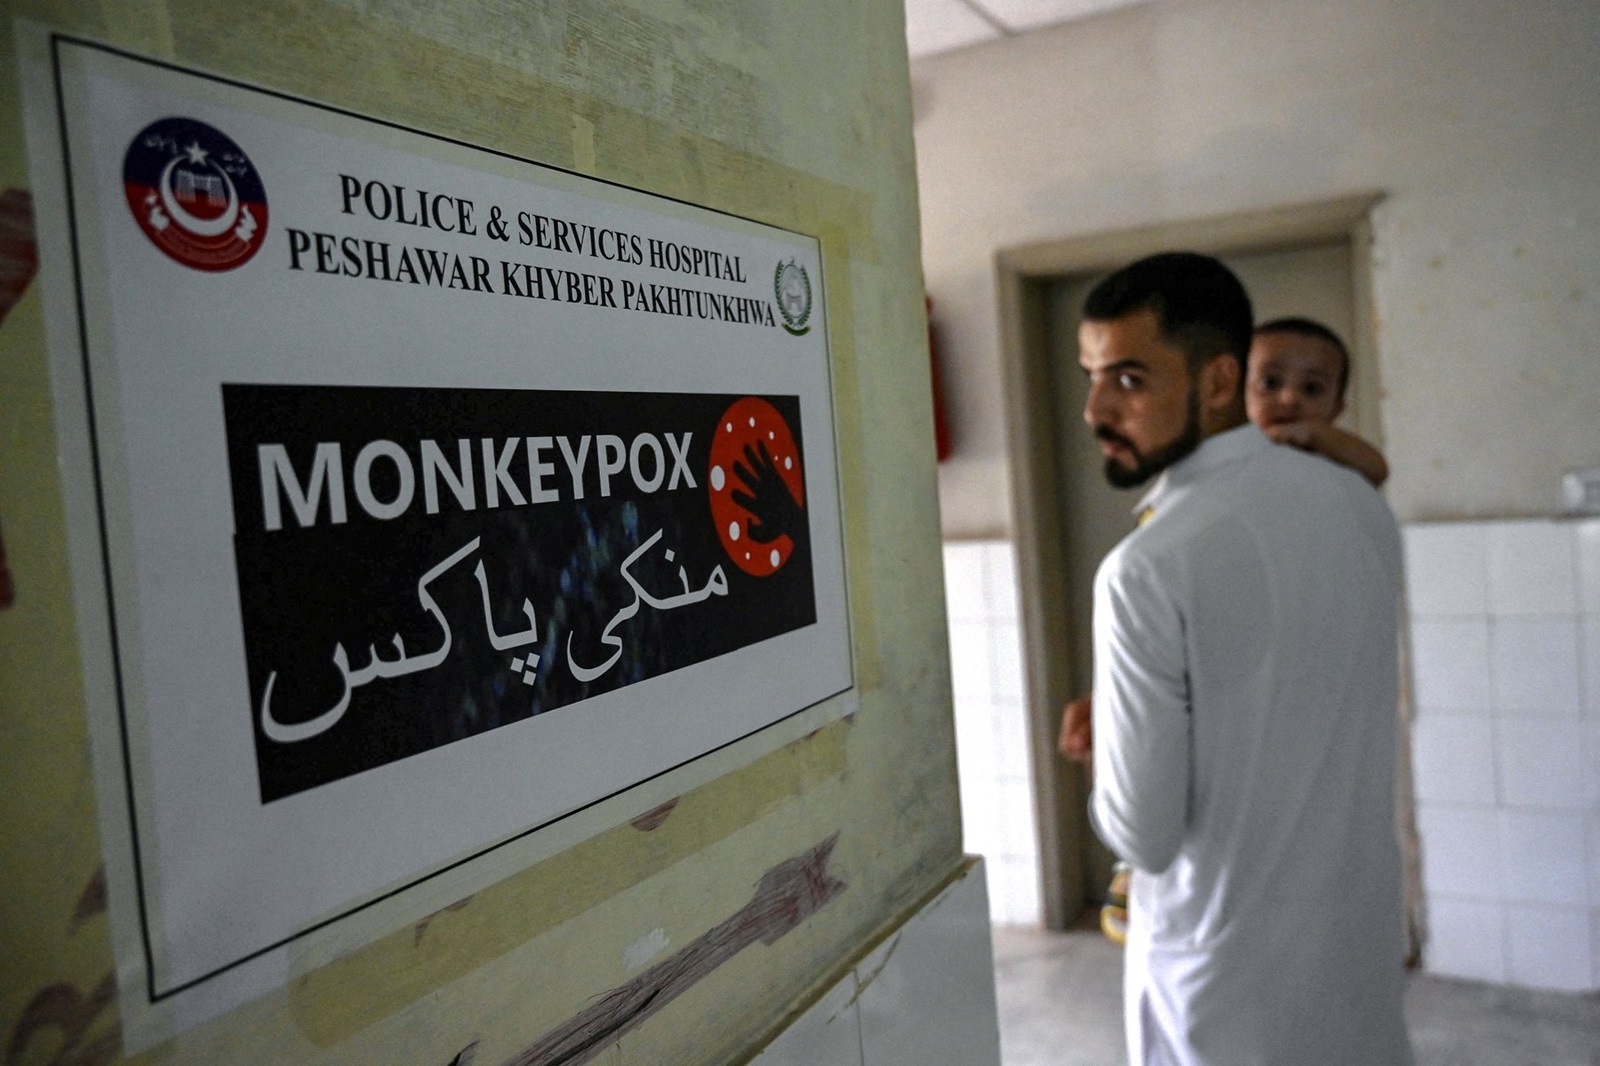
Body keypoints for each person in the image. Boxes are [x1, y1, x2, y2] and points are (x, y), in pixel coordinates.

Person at [1067, 252, 1412, 1064]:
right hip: (1353, 942)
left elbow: (1141, 832)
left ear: (1218, 381)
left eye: (1128, 379)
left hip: (1223, 978)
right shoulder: (1360, 507)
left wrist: (1114, 745)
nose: (1094, 410)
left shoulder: (1147, 567)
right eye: (1090, 377)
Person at [1060, 314, 1388, 766]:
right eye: (1270, 382)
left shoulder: (1324, 472)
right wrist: (1113, 698)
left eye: (1312, 390)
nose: (1289, 398)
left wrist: (1310, 436)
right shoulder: (1197, 479)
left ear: (1335, 408)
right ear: (1233, 392)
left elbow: (1375, 468)